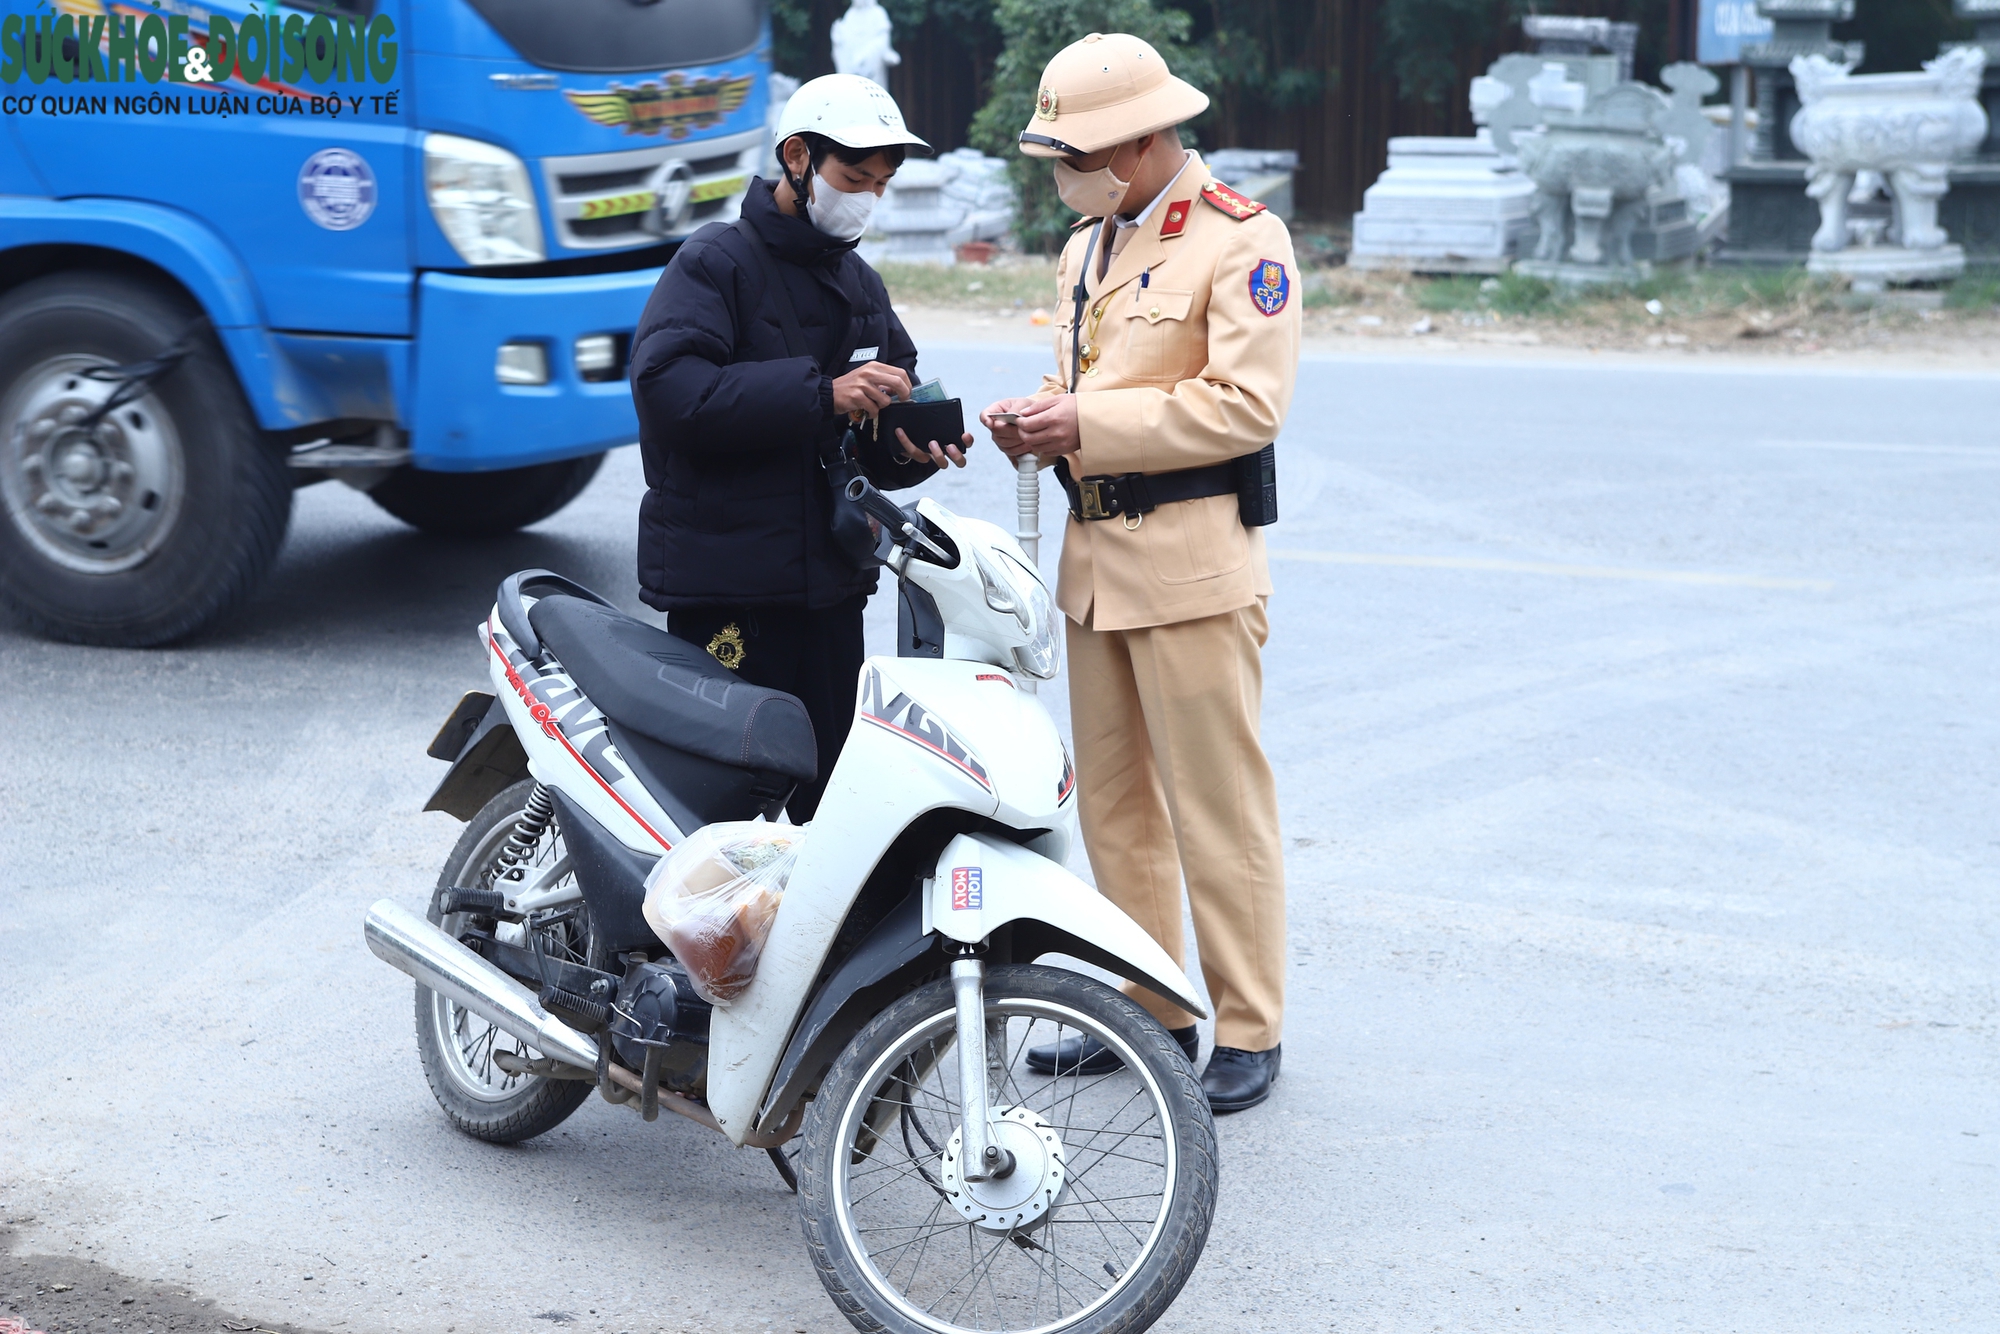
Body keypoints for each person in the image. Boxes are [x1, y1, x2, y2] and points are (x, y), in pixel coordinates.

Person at [982, 33, 1301, 1112]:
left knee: (1217, 808)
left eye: (1076, 152)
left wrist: (1088, 421)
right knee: (1114, 808)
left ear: (1142, 137)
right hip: (1095, 563)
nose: (1065, 171)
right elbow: (1091, 379)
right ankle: (1150, 1002)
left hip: (1193, 566)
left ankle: (1248, 1023)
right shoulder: (1088, 245)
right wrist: (1037, 418)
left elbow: (1243, 407)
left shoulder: (1239, 241)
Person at [629, 74, 971, 821]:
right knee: (716, 806)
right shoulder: (715, 263)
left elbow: (868, 434)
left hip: (830, 591)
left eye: (881, 184)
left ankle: (807, 940)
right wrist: (821, 392)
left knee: (835, 798)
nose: (867, 198)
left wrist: (907, 448)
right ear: (797, 158)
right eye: (854, 178)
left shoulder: (860, 283)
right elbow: (668, 391)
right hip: (730, 590)